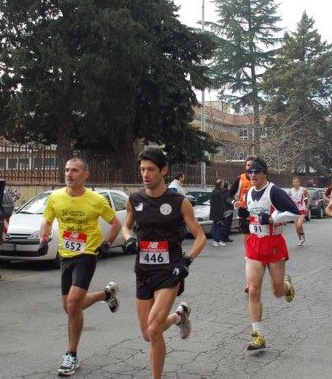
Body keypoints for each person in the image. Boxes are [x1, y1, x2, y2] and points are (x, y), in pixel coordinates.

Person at [121, 147, 206, 379]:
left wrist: (187, 260)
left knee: (153, 327)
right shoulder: (135, 200)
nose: (145, 174)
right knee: (148, 334)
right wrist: (129, 239)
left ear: (163, 170)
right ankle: (180, 316)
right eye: (142, 170)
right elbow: (126, 226)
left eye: (150, 169)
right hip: (143, 271)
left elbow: (200, 237)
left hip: (170, 271)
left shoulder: (179, 202)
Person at [38, 157, 122, 376]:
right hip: (66, 255)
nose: (69, 174)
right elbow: (47, 221)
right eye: (66, 170)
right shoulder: (55, 197)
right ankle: (106, 294)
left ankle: (71, 355)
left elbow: (116, 223)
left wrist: (107, 244)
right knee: (70, 307)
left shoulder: (95, 200)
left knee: (74, 304)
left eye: (74, 170)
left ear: (85, 175)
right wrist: (43, 238)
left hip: (87, 254)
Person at [239, 158, 300, 351]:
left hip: (274, 243)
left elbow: (295, 212)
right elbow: (251, 214)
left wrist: (273, 218)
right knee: (254, 289)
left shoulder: (274, 191)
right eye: (250, 172)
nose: (253, 175)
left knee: (277, 292)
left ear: (265, 173)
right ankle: (258, 335)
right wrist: (244, 214)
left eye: (257, 172)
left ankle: (286, 285)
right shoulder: (248, 192)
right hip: (255, 243)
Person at [229, 155, 256, 245]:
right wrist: (234, 201)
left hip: (257, 215)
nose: (250, 167)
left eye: (252, 165)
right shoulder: (240, 179)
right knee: (248, 245)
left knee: (257, 244)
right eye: (248, 165)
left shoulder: (262, 179)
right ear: (245, 166)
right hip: (244, 216)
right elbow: (228, 196)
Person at [288, 176, 311, 246]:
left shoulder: (303, 190)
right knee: (296, 227)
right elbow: (287, 200)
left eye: (296, 181)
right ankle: (300, 239)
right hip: (295, 211)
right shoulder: (290, 191)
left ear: (299, 182)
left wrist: (307, 206)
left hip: (302, 210)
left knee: (299, 225)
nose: (295, 183)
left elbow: (310, 197)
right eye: (294, 182)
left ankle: (302, 234)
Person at [209, 179, 226, 247]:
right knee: (217, 227)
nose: (223, 185)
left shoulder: (217, 191)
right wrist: (220, 214)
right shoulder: (216, 192)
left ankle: (218, 240)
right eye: (222, 184)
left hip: (218, 213)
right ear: (220, 184)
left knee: (219, 226)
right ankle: (215, 241)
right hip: (217, 213)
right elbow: (217, 205)